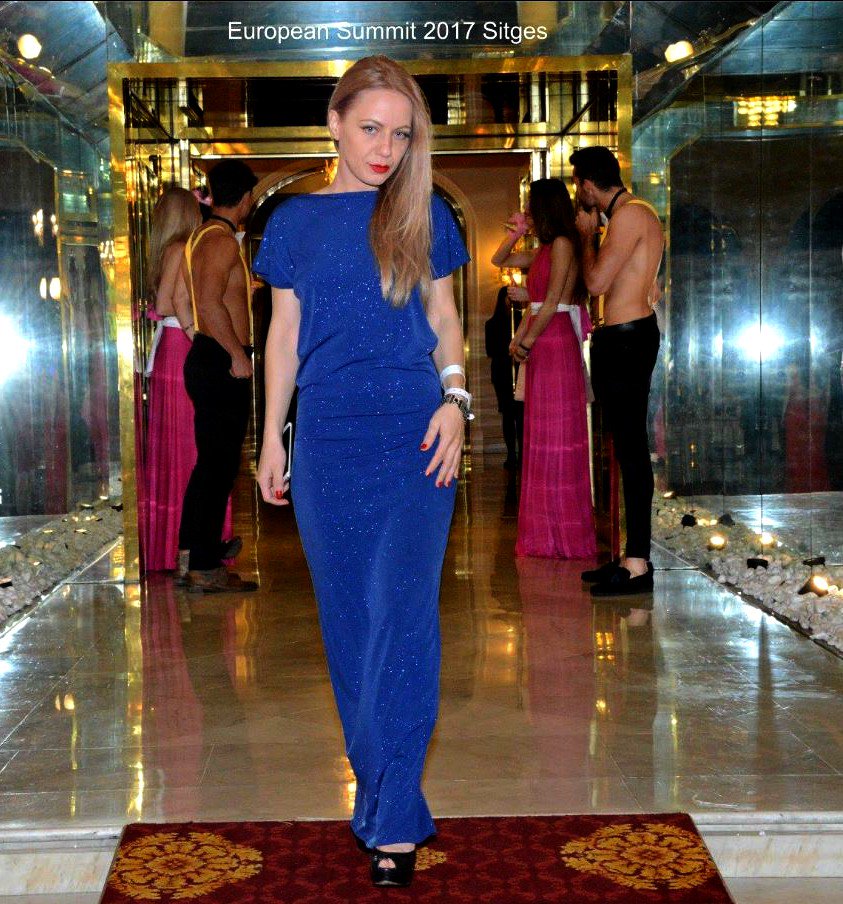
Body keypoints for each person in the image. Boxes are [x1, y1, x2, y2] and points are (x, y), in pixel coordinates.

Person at [254, 56, 470, 888]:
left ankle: (393, 816)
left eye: (400, 134)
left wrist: (457, 401)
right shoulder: (294, 222)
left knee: (402, 618)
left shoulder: (422, 213)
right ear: (334, 123)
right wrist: (271, 437)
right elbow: (281, 337)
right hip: (328, 440)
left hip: (416, 436)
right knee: (349, 626)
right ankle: (383, 794)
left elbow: (444, 317)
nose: (384, 148)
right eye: (370, 128)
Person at [571, 146, 665, 596]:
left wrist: (587, 237)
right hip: (628, 335)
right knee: (626, 449)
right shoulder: (637, 214)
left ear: (590, 185)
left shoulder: (628, 216)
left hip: (627, 338)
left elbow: (595, 282)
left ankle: (638, 563)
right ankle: (632, 555)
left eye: (578, 185)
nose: (578, 194)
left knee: (631, 449)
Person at [492, 178, 596, 559]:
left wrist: (526, 342)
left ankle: (563, 532)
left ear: (546, 207)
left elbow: (552, 302)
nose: (528, 214)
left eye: (531, 209)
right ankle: (545, 531)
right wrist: (516, 232)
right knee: (541, 435)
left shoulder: (564, 244)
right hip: (543, 341)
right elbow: (499, 260)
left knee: (558, 437)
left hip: (554, 341)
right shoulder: (545, 249)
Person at [142, 187, 236, 575]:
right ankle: (191, 545)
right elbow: (167, 304)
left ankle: (185, 544)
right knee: (195, 448)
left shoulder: (168, 249)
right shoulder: (182, 247)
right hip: (181, 346)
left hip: (170, 347)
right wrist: (198, 329)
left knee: (187, 447)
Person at [178, 161, 259, 593]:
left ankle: (194, 555)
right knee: (218, 466)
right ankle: (204, 565)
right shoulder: (220, 240)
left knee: (213, 464)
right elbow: (209, 304)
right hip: (220, 359)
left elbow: (209, 299)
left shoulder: (207, 237)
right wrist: (236, 354)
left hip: (212, 356)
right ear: (245, 198)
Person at [484, 285, 523, 469]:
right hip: (502, 373)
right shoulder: (492, 324)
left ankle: (523, 454)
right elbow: (490, 350)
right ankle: (511, 454)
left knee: (521, 414)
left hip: (519, 371)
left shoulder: (521, 321)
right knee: (508, 414)